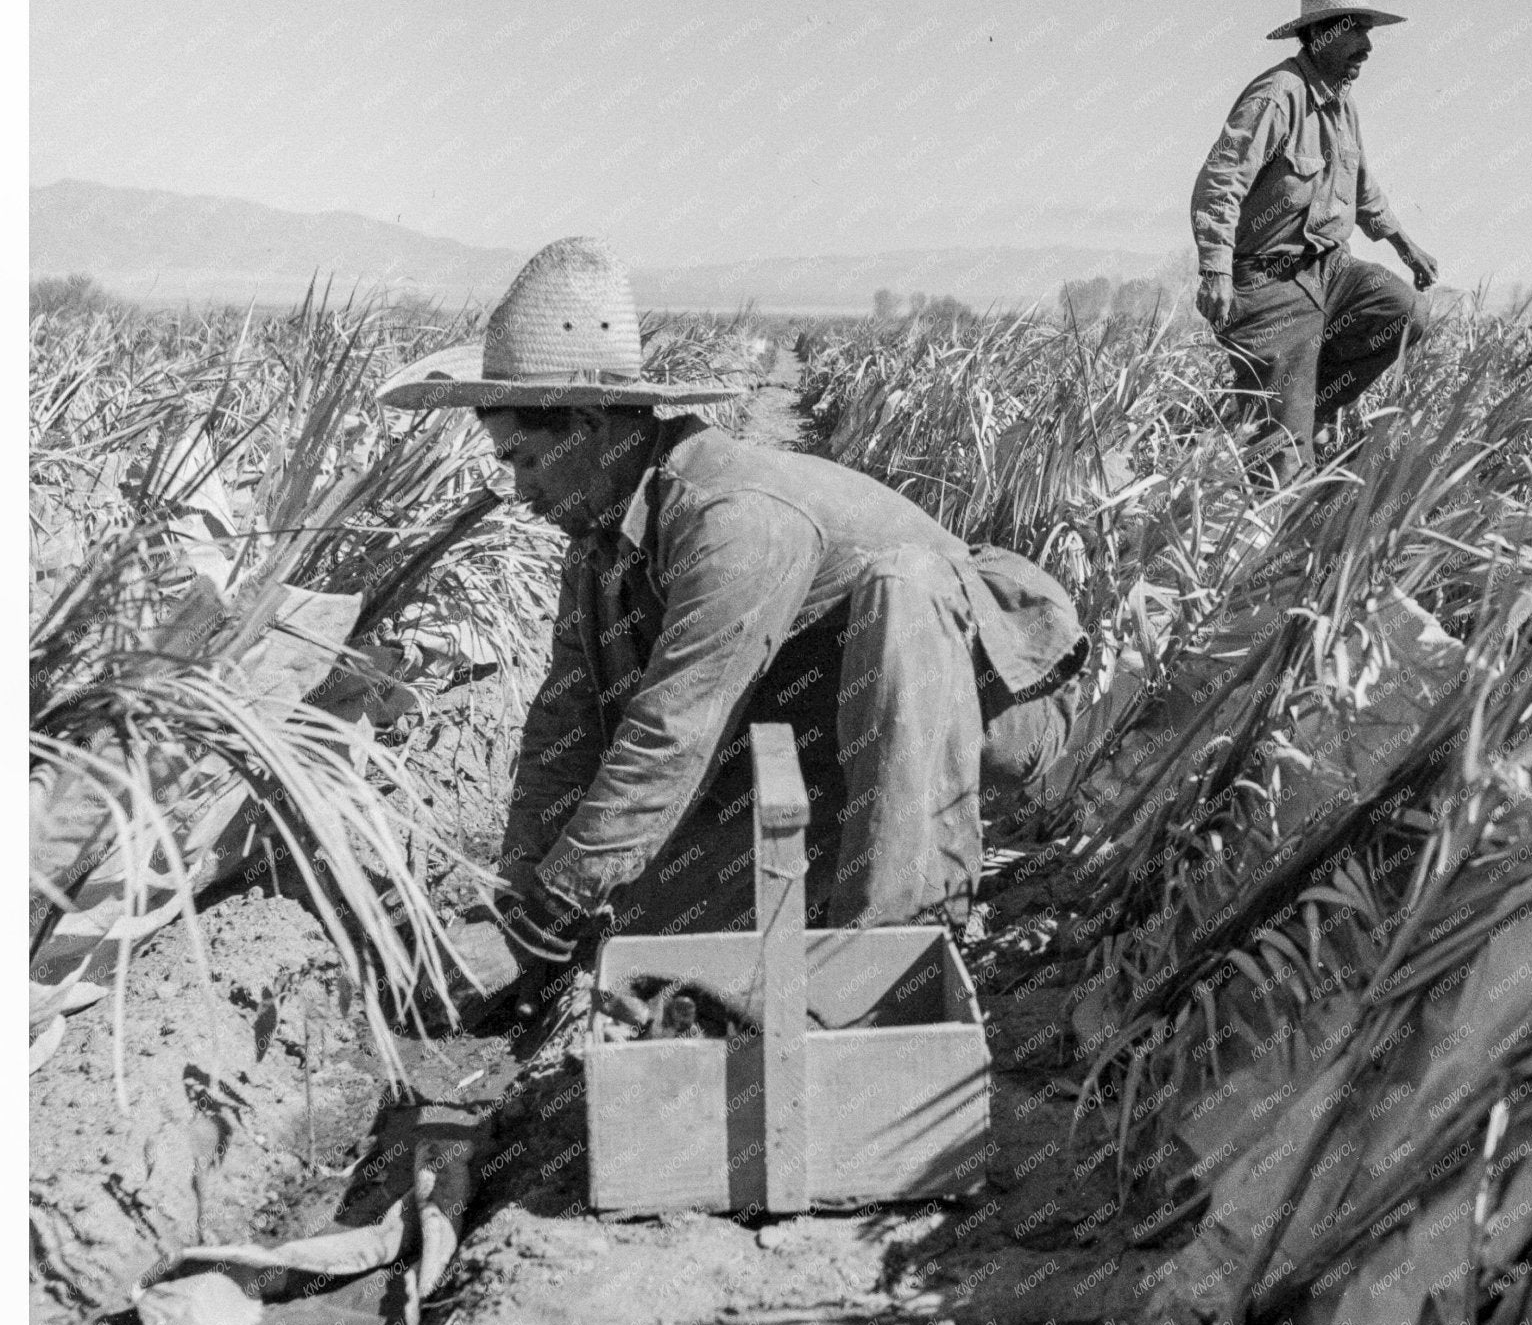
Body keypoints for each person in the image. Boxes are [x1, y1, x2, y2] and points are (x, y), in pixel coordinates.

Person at [377, 237, 1090, 1009]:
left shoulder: (733, 518)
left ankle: (895, 967)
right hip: (833, 742)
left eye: (525, 460)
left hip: (981, 723)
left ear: (586, 425)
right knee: (650, 935)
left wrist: (547, 915)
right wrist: (522, 897)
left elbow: (672, 729)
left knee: (902, 585)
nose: (518, 490)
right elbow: (567, 724)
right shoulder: (598, 549)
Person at [1191, 0, 1442, 476]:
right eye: (1355, 30)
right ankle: (1281, 430)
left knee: (1402, 310)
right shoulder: (1276, 96)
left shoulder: (1341, 105)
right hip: (1267, 284)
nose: (1367, 48)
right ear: (1321, 32)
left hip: (1330, 271)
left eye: (1368, 32)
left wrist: (1402, 243)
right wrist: (1215, 270)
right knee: (1283, 465)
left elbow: (1361, 184)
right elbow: (1221, 181)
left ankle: (1304, 402)